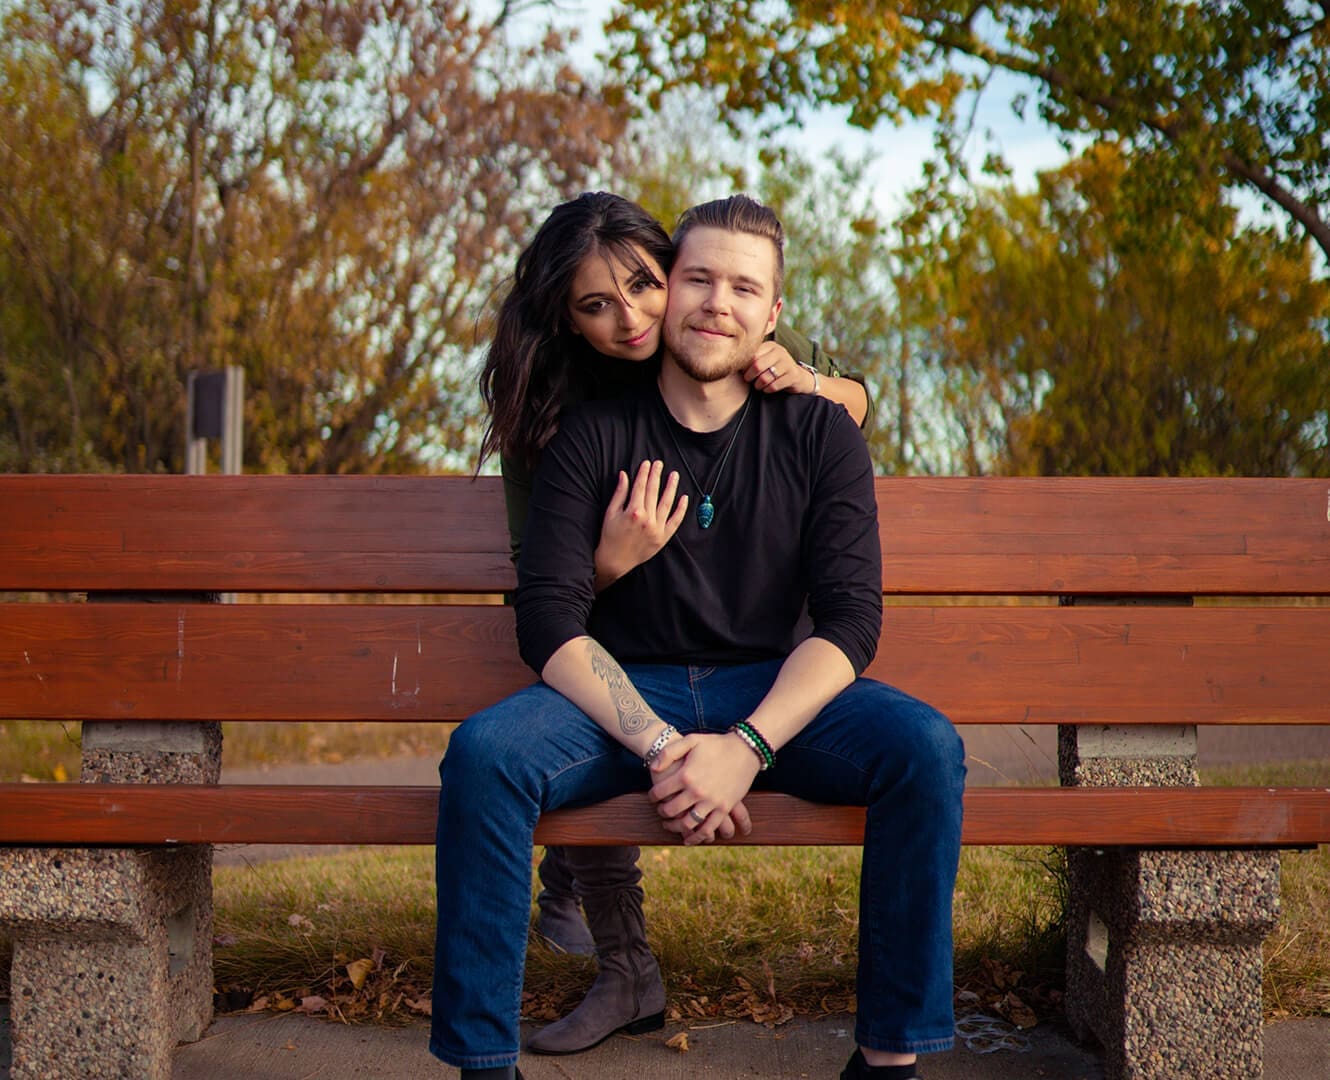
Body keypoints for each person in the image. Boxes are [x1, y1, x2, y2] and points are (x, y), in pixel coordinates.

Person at [433, 194, 964, 1080]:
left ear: (772, 318)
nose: (716, 302)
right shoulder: (582, 431)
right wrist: (668, 744)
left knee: (925, 747)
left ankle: (888, 1062)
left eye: (743, 288)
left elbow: (851, 620)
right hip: (622, 690)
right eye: (699, 279)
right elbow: (549, 616)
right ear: (674, 284)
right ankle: (487, 1067)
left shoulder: (819, 426)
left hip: (768, 687)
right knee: (486, 755)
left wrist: (747, 747)